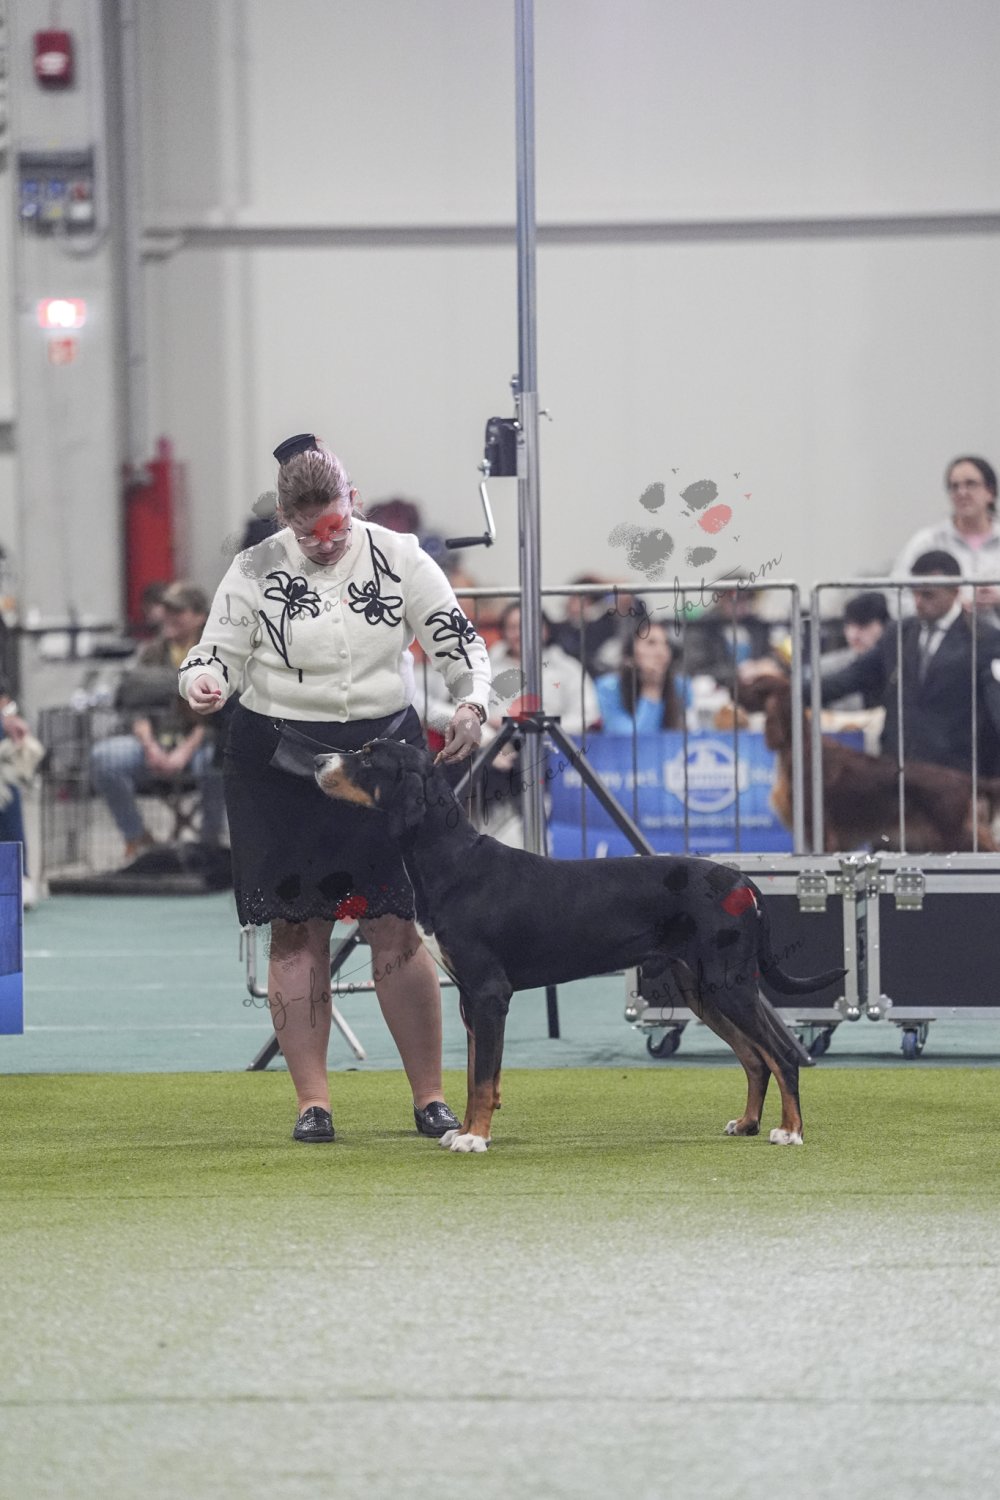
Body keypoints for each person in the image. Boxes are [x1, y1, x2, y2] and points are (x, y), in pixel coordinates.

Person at [180, 433, 492, 1144]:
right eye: (307, 532)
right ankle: (312, 1104)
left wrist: (473, 702)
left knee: (395, 924)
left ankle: (430, 1098)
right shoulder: (253, 568)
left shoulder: (401, 556)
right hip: (279, 765)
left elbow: (458, 641)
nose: (325, 543)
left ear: (353, 501)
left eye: (336, 527)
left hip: (382, 766)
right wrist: (202, 682)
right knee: (297, 928)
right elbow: (213, 654)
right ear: (285, 520)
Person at [819, 551, 1000, 774]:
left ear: (955, 591)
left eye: (928, 595)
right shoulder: (897, 634)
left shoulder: (984, 640)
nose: (918, 602)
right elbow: (850, 678)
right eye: (914, 593)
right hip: (900, 772)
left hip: (957, 775)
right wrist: (791, 689)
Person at [90, 581, 227, 861]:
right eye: (166, 610)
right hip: (153, 744)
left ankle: (209, 844)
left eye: (178, 611)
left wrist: (182, 753)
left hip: (198, 747)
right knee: (104, 757)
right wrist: (151, 747)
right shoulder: (150, 653)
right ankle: (136, 837)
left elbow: (216, 718)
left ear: (200, 617)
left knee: (218, 761)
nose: (169, 617)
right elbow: (135, 708)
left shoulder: (215, 653)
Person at [891, 456, 1000, 620]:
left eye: (971, 484)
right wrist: (948, 609)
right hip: (943, 635)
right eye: (954, 487)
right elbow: (897, 597)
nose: (962, 493)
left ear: (990, 492)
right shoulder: (928, 542)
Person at [595, 618, 691, 732]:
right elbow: (628, 738)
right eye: (651, 643)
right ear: (630, 654)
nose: (661, 652)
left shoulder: (680, 685)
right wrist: (652, 688)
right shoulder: (609, 688)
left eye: (666, 644)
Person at [820, 591, 890, 711]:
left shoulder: (898, 666)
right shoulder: (827, 668)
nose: (853, 635)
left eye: (863, 626)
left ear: (884, 626)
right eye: (849, 626)